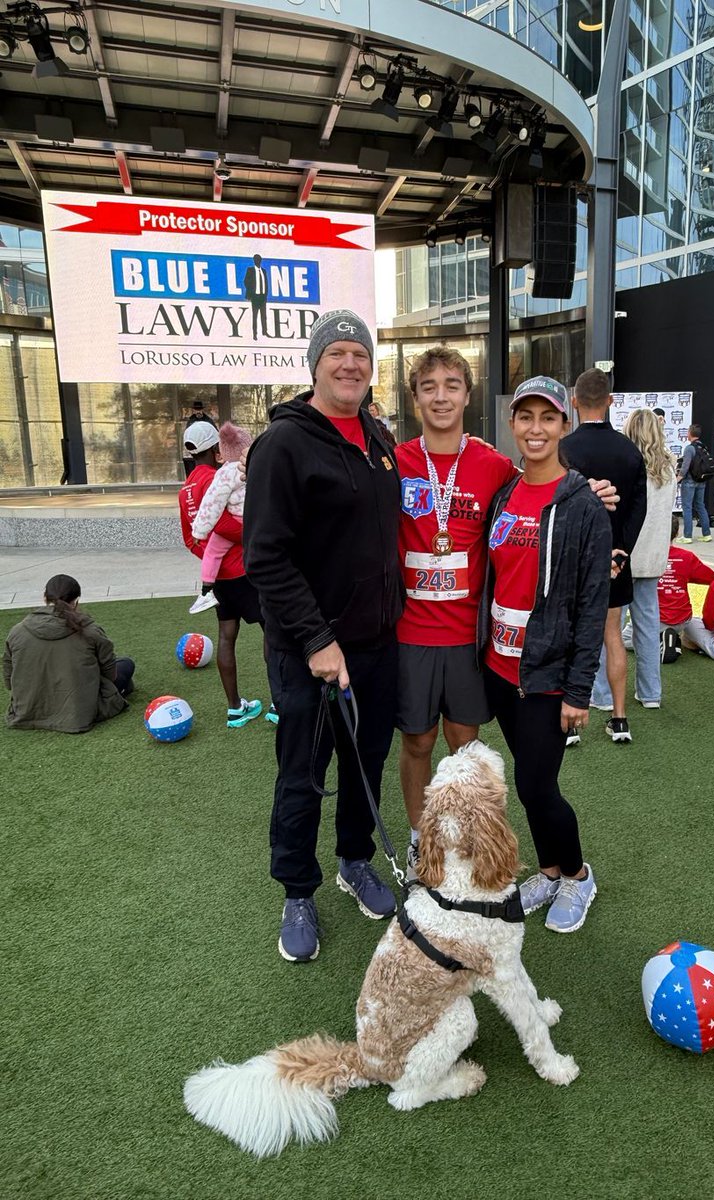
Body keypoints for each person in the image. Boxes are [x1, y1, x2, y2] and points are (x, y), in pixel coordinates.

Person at [243, 309, 403, 964]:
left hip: (375, 645)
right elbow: (266, 557)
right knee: (303, 776)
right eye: (337, 352)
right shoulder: (284, 445)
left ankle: (354, 861)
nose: (350, 364)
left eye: (360, 354)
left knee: (366, 763)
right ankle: (298, 890)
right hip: (308, 654)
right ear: (315, 364)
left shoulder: (380, 438)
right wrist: (315, 639)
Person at [479, 376, 611, 933]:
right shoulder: (505, 494)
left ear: (565, 424)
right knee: (528, 779)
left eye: (548, 418)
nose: (536, 428)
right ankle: (551, 869)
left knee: (537, 784)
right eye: (525, 417)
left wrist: (580, 689)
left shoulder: (582, 505)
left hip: (549, 675)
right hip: (500, 669)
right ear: (513, 424)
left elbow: (590, 604)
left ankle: (579, 875)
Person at [395, 346, 519, 874]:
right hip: (409, 634)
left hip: (469, 636)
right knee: (418, 740)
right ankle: (421, 839)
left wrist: (595, 492)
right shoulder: (393, 462)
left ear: (467, 395)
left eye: (451, 385)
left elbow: (544, 496)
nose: (440, 395)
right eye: (429, 386)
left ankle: (463, 839)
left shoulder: (494, 466)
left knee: (464, 745)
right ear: (415, 397)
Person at [564, 368, 647, 744]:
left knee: (568, 636)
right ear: (611, 401)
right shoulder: (630, 451)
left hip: (571, 560)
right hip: (617, 562)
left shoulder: (563, 449)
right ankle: (619, 717)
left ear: (575, 401)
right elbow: (637, 511)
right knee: (612, 635)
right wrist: (620, 554)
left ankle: (568, 723)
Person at [179, 421, 264, 729]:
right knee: (275, 634)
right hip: (244, 569)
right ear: (216, 449)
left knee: (226, 638)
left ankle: (234, 708)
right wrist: (258, 537)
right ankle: (280, 704)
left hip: (219, 579)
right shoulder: (217, 476)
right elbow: (226, 523)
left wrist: (211, 563)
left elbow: (193, 538)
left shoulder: (186, 488)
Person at [590, 408, 676, 710]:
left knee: (609, 629)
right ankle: (651, 692)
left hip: (623, 556)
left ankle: (601, 694)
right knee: (648, 627)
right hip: (652, 558)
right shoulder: (669, 468)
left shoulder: (623, 465)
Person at [3, 574, 134, 733]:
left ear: (45, 598)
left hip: (26, 710)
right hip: (77, 713)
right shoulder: (90, 631)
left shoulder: (17, 631)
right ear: (76, 601)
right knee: (126, 665)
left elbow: (9, 682)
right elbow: (110, 676)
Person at [189, 421, 253, 614]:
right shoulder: (257, 464)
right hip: (257, 518)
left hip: (237, 522)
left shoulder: (223, 474)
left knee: (212, 552)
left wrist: (199, 531)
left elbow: (212, 504)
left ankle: (206, 591)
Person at [656, 515, 714, 641]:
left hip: (653, 619)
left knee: (619, 640)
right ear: (677, 533)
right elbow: (713, 578)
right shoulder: (687, 557)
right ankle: (668, 639)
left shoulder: (646, 557)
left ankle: (662, 640)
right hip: (682, 619)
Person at [676, 424, 713, 543]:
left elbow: (685, 467)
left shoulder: (689, 448)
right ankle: (707, 534)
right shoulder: (703, 447)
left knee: (687, 508)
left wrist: (678, 479)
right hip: (701, 481)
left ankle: (687, 536)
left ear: (690, 434)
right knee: (700, 506)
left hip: (689, 482)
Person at [243, 253, 268, 339]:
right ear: (254, 261)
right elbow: (246, 281)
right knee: (255, 316)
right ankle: (255, 334)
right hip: (255, 297)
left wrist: (265, 294)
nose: (258, 261)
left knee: (264, 316)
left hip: (263, 297)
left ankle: (265, 331)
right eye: (256, 260)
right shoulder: (250, 270)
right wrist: (251, 292)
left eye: (259, 260)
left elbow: (265, 283)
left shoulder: (264, 271)